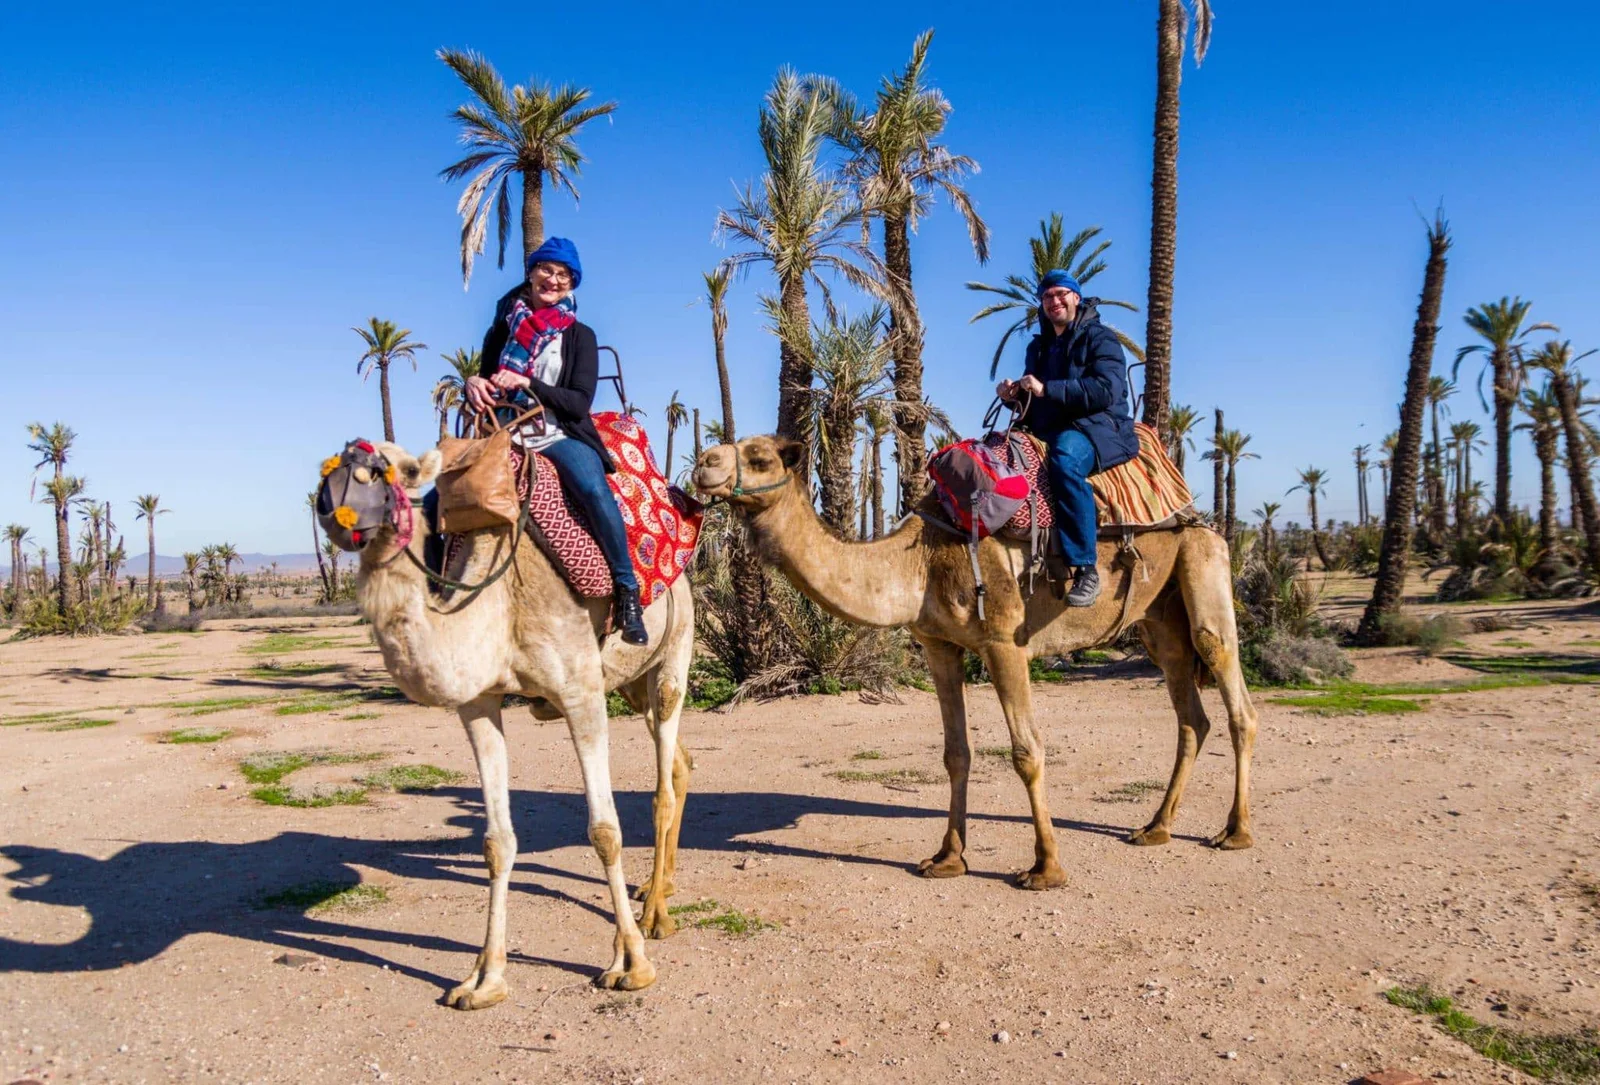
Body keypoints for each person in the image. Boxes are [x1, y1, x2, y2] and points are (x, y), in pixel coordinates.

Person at [454, 236, 648, 645]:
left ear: (571, 284)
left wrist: (527, 381)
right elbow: (488, 376)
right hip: (504, 432)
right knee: (445, 494)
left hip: (556, 432)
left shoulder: (581, 336)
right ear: (531, 273)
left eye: (563, 274)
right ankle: (437, 590)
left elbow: (579, 402)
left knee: (594, 490)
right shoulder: (504, 328)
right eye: (546, 269)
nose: (553, 279)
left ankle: (627, 589)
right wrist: (472, 382)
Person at [997, 270, 1138, 607]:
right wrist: (1012, 396)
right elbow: (1034, 407)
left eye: (1061, 294)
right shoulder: (1039, 347)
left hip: (1097, 426)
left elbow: (1106, 390)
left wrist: (1048, 389)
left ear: (1076, 297)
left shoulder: (1101, 339)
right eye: (1047, 297)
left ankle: (1086, 568)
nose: (1054, 301)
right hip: (1051, 427)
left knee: (1065, 461)